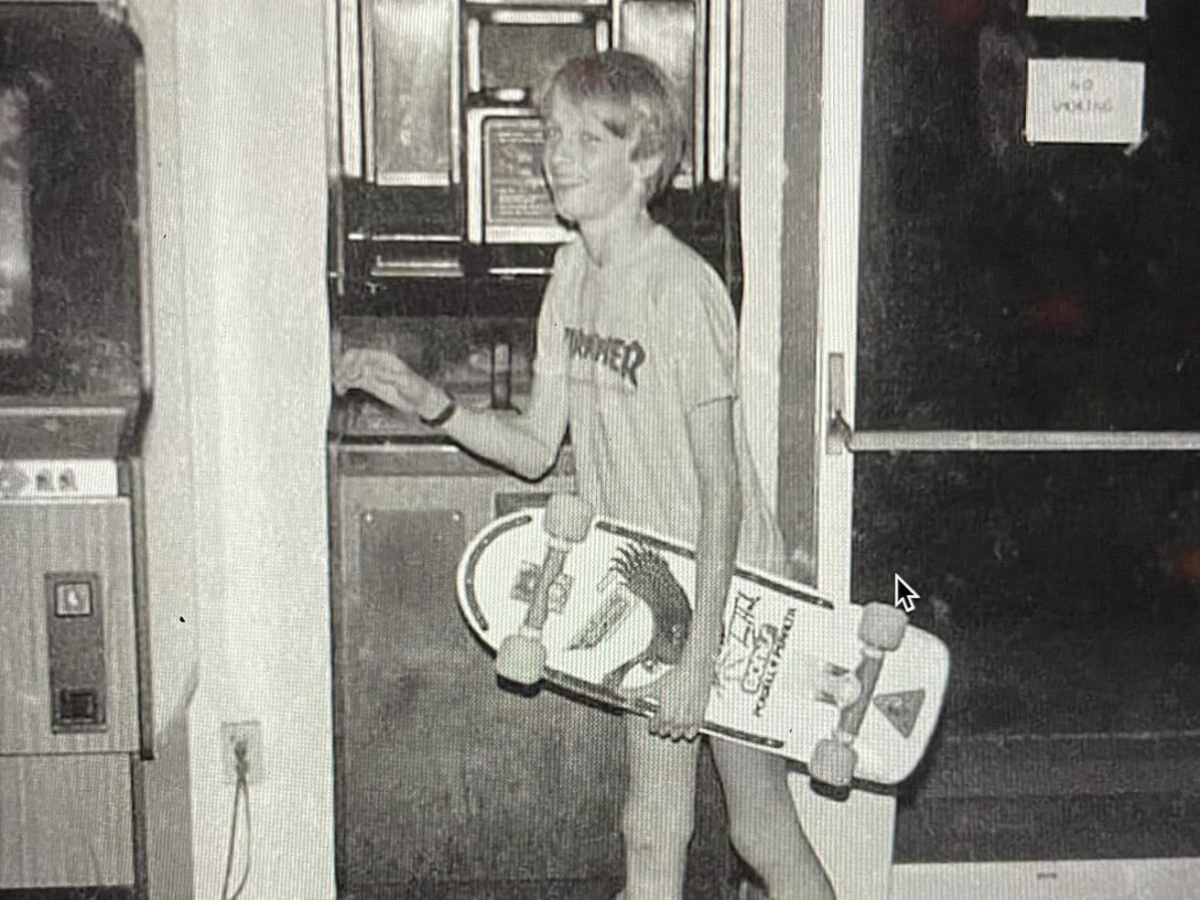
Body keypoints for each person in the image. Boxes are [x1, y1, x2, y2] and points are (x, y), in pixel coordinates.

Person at [334, 50, 836, 900]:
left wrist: (700, 654)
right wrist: (433, 406)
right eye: (551, 135)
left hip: (732, 590)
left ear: (643, 162)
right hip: (652, 587)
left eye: (583, 140)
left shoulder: (685, 291)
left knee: (757, 827)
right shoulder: (573, 271)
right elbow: (536, 446)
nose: (554, 155)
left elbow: (722, 492)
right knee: (653, 823)